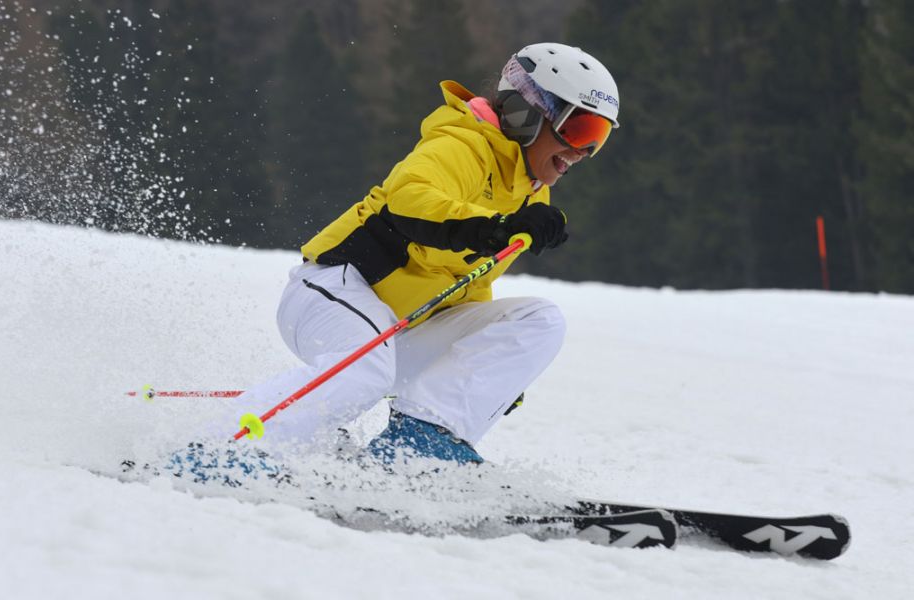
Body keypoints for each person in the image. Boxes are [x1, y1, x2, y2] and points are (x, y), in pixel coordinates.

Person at [186, 43, 620, 473]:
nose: (582, 152)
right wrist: (494, 228)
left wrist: (490, 365)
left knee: (540, 320)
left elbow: (471, 283)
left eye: (597, 139)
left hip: (401, 332)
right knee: (366, 372)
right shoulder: (461, 144)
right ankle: (215, 451)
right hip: (335, 290)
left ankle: (416, 449)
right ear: (526, 112)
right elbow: (409, 201)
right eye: (578, 130)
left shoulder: (528, 190)